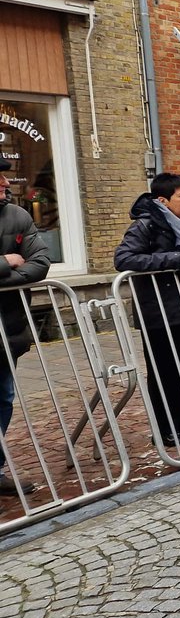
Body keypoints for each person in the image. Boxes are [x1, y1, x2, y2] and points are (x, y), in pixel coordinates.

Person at [114, 173, 180, 447]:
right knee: (163, 371)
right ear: (163, 200)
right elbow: (123, 259)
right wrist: (174, 259)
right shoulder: (146, 224)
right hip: (157, 311)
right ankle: (164, 427)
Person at [0, 159, 51, 496]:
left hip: (7, 326)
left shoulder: (16, 215)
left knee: (4, 397)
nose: (4, 183)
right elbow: (19, 261)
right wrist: (5, 262)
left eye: (4, 175)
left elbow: (40, 262)